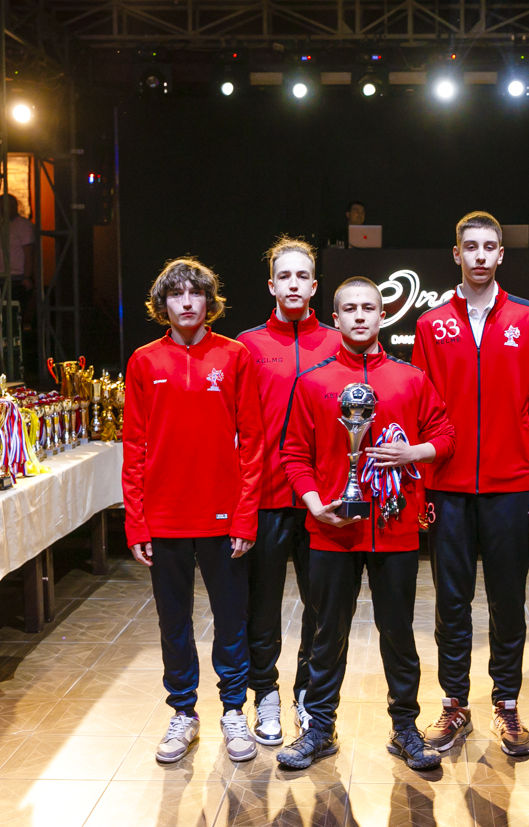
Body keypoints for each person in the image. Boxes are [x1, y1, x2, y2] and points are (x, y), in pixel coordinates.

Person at [276, 277, 455, 771]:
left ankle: (405, 728)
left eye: (369, 308)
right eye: (350, 309)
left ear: (383, 316)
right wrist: (314, 505)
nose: (360, 316)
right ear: (335, 318)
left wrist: (413, 452)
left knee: (398, 633)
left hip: (395, 529)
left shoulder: (410, 378)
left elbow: (446, 435)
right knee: (326, 634)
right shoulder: (312, 381)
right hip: (331, 530)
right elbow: (294, 454)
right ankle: (319, 728)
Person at [413, 211, 529, 757]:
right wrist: (422, 484)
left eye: (488, 246)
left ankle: (507, 703)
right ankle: (454, 704)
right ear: (457, 254)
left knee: (508, 601)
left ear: (501, 254)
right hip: (447, 487)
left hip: (510, 484)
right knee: (451, 603)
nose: (479, 255)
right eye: (469, 246)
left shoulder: (528, 318)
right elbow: (421, 411)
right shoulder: (431, 324)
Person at [122, 257, 265, 765]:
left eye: (195, 293)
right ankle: (183, 711)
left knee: (231, 621)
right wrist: (136, 520)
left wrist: (245, 515)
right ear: (162, 304)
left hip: (222, 517)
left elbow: (253, 442)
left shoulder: (235, 355)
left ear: (209, 301)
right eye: (176, 294)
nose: (186, 302)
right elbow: (133, 446)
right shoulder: (143, 361)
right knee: (174, 624)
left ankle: (233, 710)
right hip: (164, 518)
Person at [236, 237, 341, 745]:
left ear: (314, 286)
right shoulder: (247, 345)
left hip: (322, 503)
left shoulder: (338, 342)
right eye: (285, 276)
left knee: (321, 609)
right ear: (271, 285)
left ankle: (307, 694)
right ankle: (266, 696)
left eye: (303, 276)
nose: (294, 284)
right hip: (267, 500)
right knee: (263, 609)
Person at [0, 194, 36, 289]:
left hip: (15, 276)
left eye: (3, 207)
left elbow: (29, 253)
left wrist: (26, 277)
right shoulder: (2, 225)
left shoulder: (23, 225)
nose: (1, 211)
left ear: (14, 207)